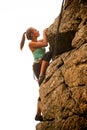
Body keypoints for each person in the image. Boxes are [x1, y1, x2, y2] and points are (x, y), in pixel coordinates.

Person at [20, 27, 52, 121]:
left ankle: (38, 115)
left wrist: (49, 30)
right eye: (35, 30)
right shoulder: (31, 43)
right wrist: (43, 32)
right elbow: (45, 43)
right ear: (31, 35)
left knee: (42, 90)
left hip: (42, 64)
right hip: (38, 67)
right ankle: (42, 75)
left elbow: (46, 39)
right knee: (48, 54)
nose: (37, 30)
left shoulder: (38, 41)